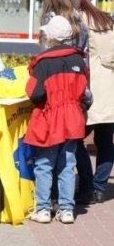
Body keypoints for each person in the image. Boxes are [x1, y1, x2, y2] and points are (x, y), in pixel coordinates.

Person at [24, 15, 91, 224]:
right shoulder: (79, 60)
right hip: (73, 118)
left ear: (50, 37)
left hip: (50, 119)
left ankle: (44, 209)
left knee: (45, 164)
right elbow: (84, 92)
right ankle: (67, 209)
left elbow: (35, 94)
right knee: (67, 165)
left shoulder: (43, 62)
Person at [39, 0, 92, 206]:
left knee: (50, 150)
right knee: (74, 145)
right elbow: (85, 57)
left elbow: (45, 56)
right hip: (79, 88)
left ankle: (48, 199)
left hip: (56, 92)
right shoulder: (79, 21)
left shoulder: (51, 21)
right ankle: (80, 193)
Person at [68, 0, 114, 205]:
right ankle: (99, 188)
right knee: (105, 142)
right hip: (110, 91)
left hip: (91, 90)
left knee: (75, 138)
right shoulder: (105, 20)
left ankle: (87, 184)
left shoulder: (80, 22)